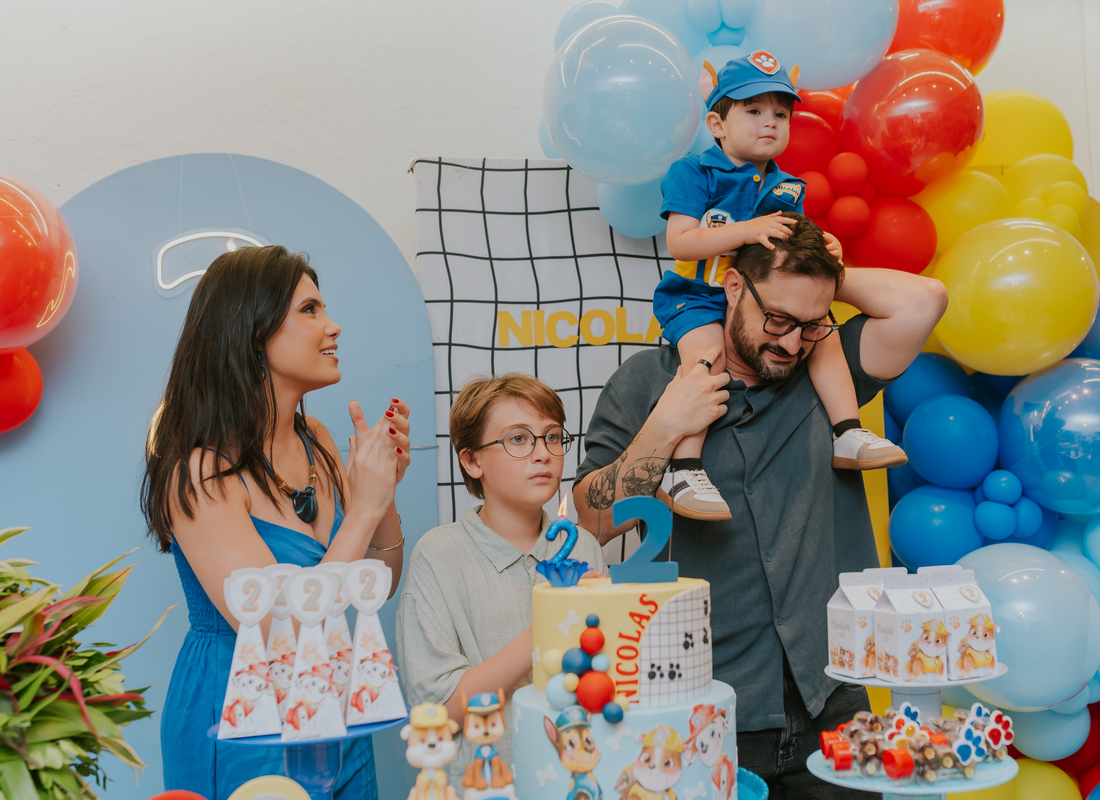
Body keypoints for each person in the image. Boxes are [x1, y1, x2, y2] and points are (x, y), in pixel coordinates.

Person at [573, 215, 948, 798]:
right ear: (732, 288)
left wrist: (824, 276)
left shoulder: (829, 374)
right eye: (777, 318)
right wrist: (664, 429)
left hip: (834, 698)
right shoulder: (648, 381)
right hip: (706, 704)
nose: (792, 342)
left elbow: (924, 301)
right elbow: (593, 519)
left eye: (810, 324)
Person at [142, 246, 408, 800]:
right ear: (250, 330)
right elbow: (281, 633)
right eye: (309, 309)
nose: (333, 326)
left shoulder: (322, 443)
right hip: (242, 713)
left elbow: (377, 585)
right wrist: (361, 507)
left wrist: (382, 494)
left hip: (337, 707)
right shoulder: (200, 473)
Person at [652, 52, 905, 522]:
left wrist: (821, 245)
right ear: (717, 123)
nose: (770, 123)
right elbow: (680, 243)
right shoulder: (695, 171)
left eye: (781, 114)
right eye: (753, 111)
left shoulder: (788, 184)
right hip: (699, 297)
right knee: (705, 362)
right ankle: (684, 467)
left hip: (758, 296)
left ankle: (847, 429)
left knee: (822, 334)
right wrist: (747, 230)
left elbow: (787, 254)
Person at [397, 374, 607, 787]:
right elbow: (439, 710)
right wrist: (550, 624)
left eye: (552, 437)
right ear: (472, 461)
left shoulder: (582, 545)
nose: (542, 454)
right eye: (517, 439)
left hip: (578, 780)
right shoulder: (438, 555)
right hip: (486, 785)